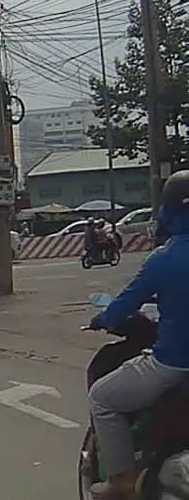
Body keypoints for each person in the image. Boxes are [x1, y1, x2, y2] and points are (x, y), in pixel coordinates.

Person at [86, 170, 189, 500]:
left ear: (169, 211)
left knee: (102, 398)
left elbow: (123, 306)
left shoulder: (163, 259)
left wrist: (101, 319)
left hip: (173, 366)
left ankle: (121, 479)